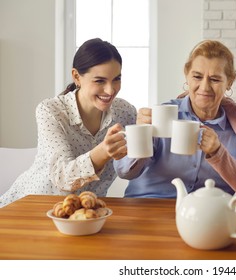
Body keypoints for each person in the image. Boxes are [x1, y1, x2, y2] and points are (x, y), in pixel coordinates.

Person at [114, 40, 236, 198]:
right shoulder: (161, 116)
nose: (204, 87)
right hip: (148, 204)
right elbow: (125, 172)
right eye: (197, 76)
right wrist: (140, 136)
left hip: (203, 216)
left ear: (230, 82)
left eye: (215, 79)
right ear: (186, 74)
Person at [0, 38, 136, 207]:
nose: (110, 90)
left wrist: (147, 130)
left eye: (117, 79)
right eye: (100, 81)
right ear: (76, 76)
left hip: (84, 213)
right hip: (31, 206)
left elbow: (133, 166)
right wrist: (102, 152)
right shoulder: (51, 111)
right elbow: (62, 177)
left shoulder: (125, 113)